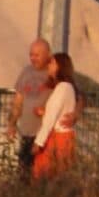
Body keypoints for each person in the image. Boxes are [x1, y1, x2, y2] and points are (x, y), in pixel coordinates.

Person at [10, 38, 53, 182]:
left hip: (44, 135)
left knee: (43, 175)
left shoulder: (53, 73)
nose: (33, 58)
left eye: (37, 55)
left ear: (48, 54)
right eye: (31, 55)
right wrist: (12, 123)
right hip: (26, 132)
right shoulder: (26, 71)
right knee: (24, 173)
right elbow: (18, 100)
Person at [32, 51, 79, 179]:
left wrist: (39, 142)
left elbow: (51, 118)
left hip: (58, 138)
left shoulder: (62, 87)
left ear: (60, 66)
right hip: (65, 137)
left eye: (52, 63)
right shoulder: (68, 87)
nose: (49, 65)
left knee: (46, 175)